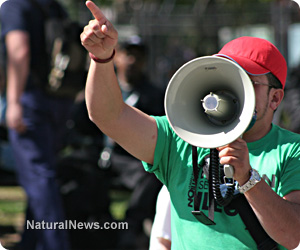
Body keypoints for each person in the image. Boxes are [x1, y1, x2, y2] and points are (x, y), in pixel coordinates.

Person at [80, 1, 300, 249]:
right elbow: (108, 116)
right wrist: (101, 58)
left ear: (275, 98)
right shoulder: (182, 138)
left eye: (248, 81)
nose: (234, 88)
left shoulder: (293, 151)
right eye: (229, 75)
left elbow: (293, 235)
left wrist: (249, 181)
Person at [0, 0, 73, 249]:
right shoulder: (53, 6)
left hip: (30, 100)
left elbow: (18, 51)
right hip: (58, 102)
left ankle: (55, 244)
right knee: (43, 179)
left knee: (40, 181)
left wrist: (14, 101)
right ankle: (30, 243)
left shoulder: (15, 6)